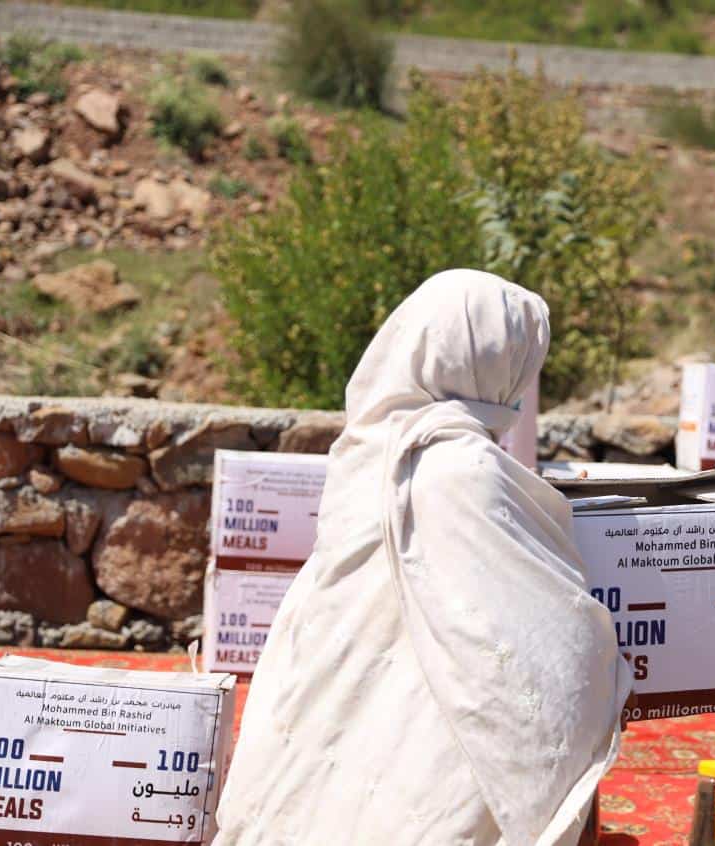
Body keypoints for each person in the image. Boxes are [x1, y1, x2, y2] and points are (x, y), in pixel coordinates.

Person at [213, 269, 633, 846]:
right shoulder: (460, 468)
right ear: (490, 359)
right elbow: (542, 641)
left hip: (341, 714)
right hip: (440, 744)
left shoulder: (371, 446)